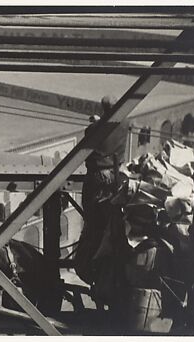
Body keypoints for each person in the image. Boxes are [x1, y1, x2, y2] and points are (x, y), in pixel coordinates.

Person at [74, 96, 132, 315]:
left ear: (104, 108)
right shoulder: (126, 123)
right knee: (111, 215)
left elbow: (90, 140)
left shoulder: (95, 129)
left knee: (91, 217)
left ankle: (91, 247)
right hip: (116, 176)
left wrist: (94, 123)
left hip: (98, 178)